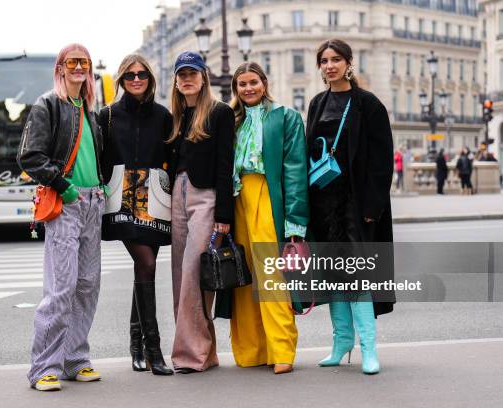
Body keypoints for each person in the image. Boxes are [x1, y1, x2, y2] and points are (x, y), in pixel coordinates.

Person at [18, 44, 105, 391]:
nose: (79, 67)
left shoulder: (89, 109)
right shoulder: (48, 105)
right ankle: (43, 368)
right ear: (60, 67)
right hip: (66, 201)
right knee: (61, 287)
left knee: (87, 285)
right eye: (73, 62)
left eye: (84, 62)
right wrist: (63, 185)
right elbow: (30, 156)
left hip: (93, 202)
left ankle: (75, 359)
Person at [306, 39, 394, 375]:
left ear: (349, 63)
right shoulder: (317, 103)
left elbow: (382, 159)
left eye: (336, 60)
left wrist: (372, 206)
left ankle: (368, 348)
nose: (330, 66)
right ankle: (342, 342)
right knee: (333, 276)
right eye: (324, 61)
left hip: (356, 202)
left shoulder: (368, 104)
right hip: (324, 201)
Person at [228, 62, 309, 374]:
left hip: (267, 195)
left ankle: (281, 348)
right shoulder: (231, 120)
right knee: (243, 276)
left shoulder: (285, 116)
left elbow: (295, 169)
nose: (248, 89)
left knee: (271, 274)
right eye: (242, 84)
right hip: (238, 199)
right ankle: (252, 350)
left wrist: (295, 222)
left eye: (253, 82)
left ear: (264, 82)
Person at [99, 54, 174, 376]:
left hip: (155, 195)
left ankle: (135, 346)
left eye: (142, 74)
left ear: (150, 78)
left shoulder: (163, 116)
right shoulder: (107, 115)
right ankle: (153, 350)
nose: (136, 79)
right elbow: (100, 157)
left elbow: (173, 154)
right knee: (146, 264)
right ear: (121, 80)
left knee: (144, 269)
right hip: (121, 196)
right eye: (129, 75)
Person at [166, 51, 235, 374]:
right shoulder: (176, 115)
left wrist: (224, 216)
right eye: (182, 75)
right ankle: (205, 352)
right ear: (177, 82)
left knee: (194, 272)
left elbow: (225, 165)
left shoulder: (219, 113)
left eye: (192, 73)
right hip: (176, 195)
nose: (187, 79)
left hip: (205, 196)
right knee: (181, 276)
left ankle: (189, 355)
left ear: (204, 77)